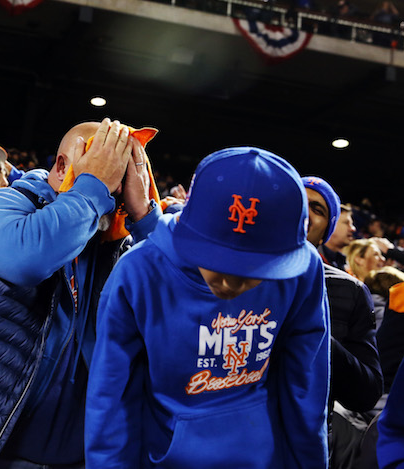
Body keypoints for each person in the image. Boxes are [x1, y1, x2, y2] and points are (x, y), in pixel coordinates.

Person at [0, 119, 161, 469]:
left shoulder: (114, 240)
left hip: (73, 457)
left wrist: (145, 216)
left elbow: (179, 296)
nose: (114, 186)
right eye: (106, 165)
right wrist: (93, 188)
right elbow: (27, 258)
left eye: (121, 171)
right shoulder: (2, 206)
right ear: (62, 166)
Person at [86, 147, 330, 468]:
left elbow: (306, 383)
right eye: (218, 259)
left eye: (256, 269)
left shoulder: (303, 268)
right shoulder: (139, 271)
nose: (232, 283)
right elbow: (112, 398)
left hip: (266, 455)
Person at [301, 176, 382, 468]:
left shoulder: (350, 291)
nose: (305, 212)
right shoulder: (232, 275)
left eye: (318, 209)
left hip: (306, 447)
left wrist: (313, 327)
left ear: (325, 234)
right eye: (297, 201)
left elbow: (365, 394)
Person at [322, 204, 356, 269]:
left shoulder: (344, 263)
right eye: (346, 223)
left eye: (351, 224)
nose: (353, 229)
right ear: (331, 225)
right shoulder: (311, 257)